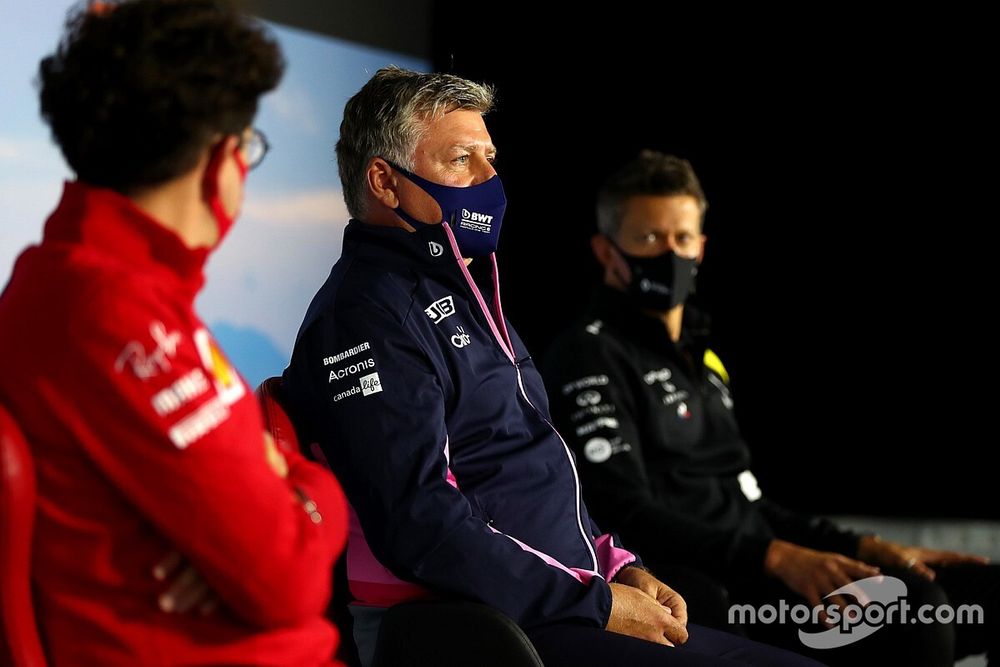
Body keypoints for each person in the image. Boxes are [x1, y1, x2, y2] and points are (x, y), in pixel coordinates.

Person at [282, 66, 824, 667]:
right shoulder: (364, 317)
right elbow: (421, 525)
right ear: (384, 181)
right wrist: (598, 601)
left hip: (554, 606)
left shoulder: (466, 295)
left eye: (490, 157)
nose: (491, 178)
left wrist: (619, 565)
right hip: (479, 626)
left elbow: (529, 470)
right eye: (462, 158)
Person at [541, 150, 1000, 665]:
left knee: (984, 590)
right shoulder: (587, 353)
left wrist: (867, 547)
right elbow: (623, 512)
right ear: (606, 252)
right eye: (649, 238)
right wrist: (778, 558)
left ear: (702, 247)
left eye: (682, 238)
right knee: (917, 611)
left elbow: (748, 500)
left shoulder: (703, 356)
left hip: (763, 562)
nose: (669, 253)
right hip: (709, 589)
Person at [0, 1, 348, 665]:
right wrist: (307, 491)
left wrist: (291, 489)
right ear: (221, 159)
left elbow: (278, 518)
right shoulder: (118, 313)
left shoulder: (76, 284)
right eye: (249, 145)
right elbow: (291, 580)